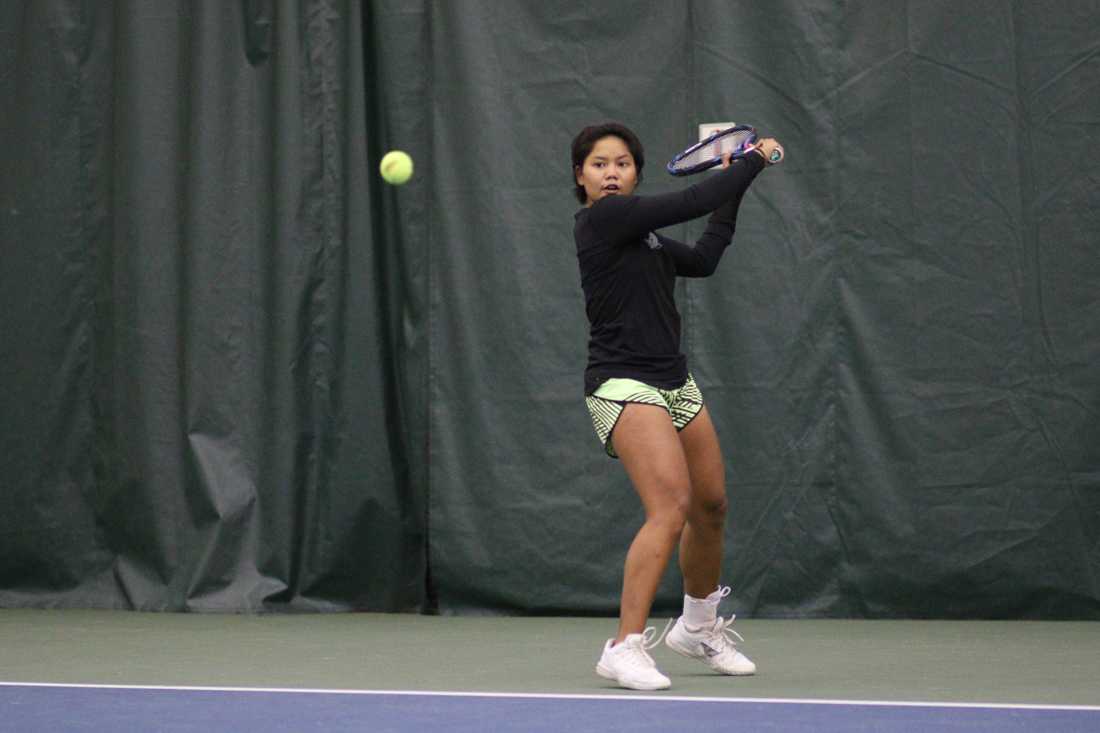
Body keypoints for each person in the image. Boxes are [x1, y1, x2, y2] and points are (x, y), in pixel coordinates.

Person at [571, 122, 781, 691]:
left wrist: (733, 185)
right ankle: (624, 646)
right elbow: (694, 199)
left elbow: (707, 256)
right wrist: (753, 160)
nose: (610, 172)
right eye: (598, 164)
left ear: (636, 171)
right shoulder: (604, 220)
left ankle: (697, 628)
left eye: (621, 163)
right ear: (581, 178)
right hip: (620, 382)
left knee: (710, 506)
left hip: (673, 383)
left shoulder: (649, 239)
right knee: (670, 505)